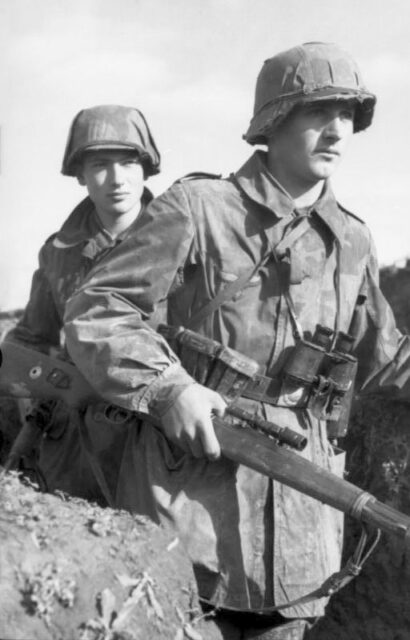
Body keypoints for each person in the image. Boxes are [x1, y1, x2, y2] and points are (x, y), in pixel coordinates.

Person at [64, 43, 410, 639]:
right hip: (187, 508)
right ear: (274, 121)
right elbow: (98, 308)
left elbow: (383, 357)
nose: (336, 131)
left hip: (303, 533)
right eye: (317, 113)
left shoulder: (351, 238)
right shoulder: (198, 209)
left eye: (348, 116)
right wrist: (170, 389)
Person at [5, 104, 161, 505]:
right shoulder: (59, 252)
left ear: (145, 168)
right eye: (100, 165)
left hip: (156, 436)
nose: (117, 179)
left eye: (128, 163)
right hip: (75, 437)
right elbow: (31, 339)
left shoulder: (181, 239)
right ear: (80, 175)